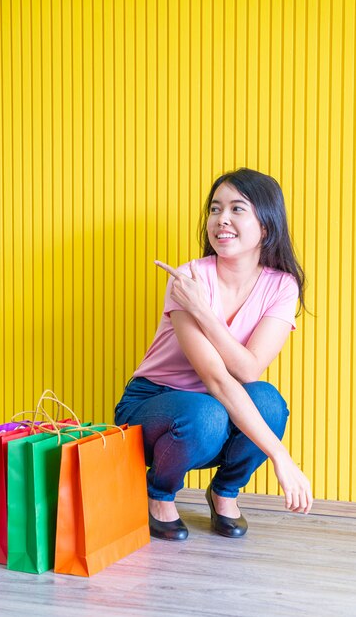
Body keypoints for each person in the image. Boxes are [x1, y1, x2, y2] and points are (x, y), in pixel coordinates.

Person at [114, 167, 313, 541]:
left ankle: (224, 493)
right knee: (204, 412)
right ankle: (159, 494)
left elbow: (249, 370)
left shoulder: (281, 286)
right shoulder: (189, 279)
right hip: (155, 404)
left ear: (266, 226)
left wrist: (204, 313)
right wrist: (280, 457)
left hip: (216, 406)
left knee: (269, 402)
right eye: (215, 209)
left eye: (238, 209)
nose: (221, 220)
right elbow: (218, 378)